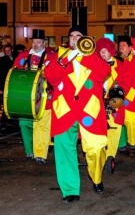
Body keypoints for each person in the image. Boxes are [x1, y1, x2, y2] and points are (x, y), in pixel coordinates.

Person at [44, 26, 111, 203]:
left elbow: (105, 72)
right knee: (64, 150)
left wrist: (84, 56)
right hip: (64, 110)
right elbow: (50, 77)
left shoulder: (93, 56)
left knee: (97, 147)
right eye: (72, 36)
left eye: (78, 36)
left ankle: (96, 177)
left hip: (90, 110)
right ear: (68, 40)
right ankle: (70, 190)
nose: (74, 39)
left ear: (85, 39)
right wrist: (67, 58)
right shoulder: (58, 56)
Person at [13, 29, 54, 164]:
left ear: (44, 43)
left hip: (44, 97)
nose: (36, 44)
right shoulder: (23, 56)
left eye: (39, 42)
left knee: (41, 125)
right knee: (24, 122)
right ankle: (29, 150)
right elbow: (14, 74)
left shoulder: (51, 57)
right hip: (26, 97)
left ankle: (40, 154)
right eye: (34, 42)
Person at [96, 37, 128, 172]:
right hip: (98, 104)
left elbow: (126, 81)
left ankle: (110, 156)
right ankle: (100, 156)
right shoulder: (95, 64)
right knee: (99, 133)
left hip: (115, 104)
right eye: (100, 51)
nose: (102, 53)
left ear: (110, 51)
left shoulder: (120, 64)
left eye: (105, 51)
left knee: (114, 131)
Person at [117, 36, 135, 156]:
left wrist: (124, 59)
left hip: (130, 96)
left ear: (130, 48)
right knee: (118, 120)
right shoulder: (115, 59)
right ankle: (121, 144)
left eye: (124, 46)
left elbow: (132, 72)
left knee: (131, 122)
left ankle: (132, 144)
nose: (121, 48)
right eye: (120, 45)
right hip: (117, 93)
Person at [0, 44, 14, 129]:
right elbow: (0, 75)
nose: (7, 52)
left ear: (12, 49)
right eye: (6, 51)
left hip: (13, 84)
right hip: (5, 83)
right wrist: (0, 88)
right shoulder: (2, 61)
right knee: (5, 102)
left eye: (9, 50)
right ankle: (6, 121)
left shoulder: (16, 58)